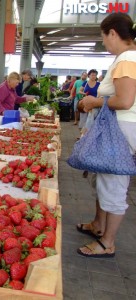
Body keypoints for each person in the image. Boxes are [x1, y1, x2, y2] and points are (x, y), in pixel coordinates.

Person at [76, 13, 136, 258]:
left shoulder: (127, 59)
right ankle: (98, 225)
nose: (104, 44)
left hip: (120, 130)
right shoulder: (127, 58)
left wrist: (94, 101)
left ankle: (107, 242)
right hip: (118, 128)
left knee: (113, 182)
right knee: (102, 177)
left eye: (104, 38)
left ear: (113, 32)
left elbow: (125, 100)